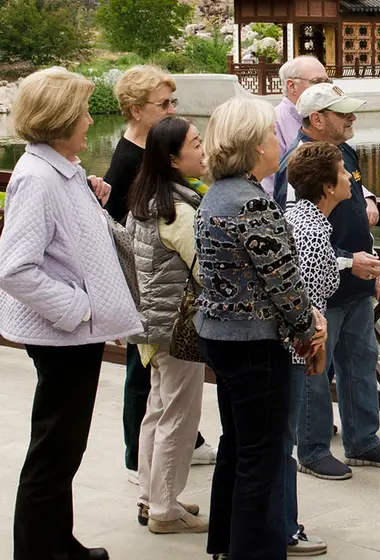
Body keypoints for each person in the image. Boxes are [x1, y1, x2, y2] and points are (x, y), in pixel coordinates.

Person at [0, 67, 142, 560]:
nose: (88, 119)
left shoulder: (58, 168)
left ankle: (59, 544)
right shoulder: (39, 178)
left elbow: (68, 238)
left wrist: (91, 197)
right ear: (60, 118)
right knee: (53, 454)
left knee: (62, 450)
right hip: (63, 334)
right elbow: (15, 268)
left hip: (71, 334)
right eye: (82, 111)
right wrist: (78, 309)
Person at [195, 97, 327, 560]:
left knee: (238, 445)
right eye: (271, 134)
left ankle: (226, 544)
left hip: (221, 336)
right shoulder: (251, 202)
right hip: (253, 342)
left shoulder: (216, 194)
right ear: (253, 147)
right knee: (263, 457)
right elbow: (285, 282)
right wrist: (309, 331)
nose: (278, 141)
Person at [275, 83, 380, 481]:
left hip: (356, 284)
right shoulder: (298, 165)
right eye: (342, 113)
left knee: (360, 362)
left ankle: (363, 440)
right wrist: (350, 262)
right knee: (316, 367)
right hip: (320, 289)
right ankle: (313, 449)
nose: (351, 118)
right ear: (316, 119)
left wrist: (365, 262)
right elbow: (295, 238)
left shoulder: (342, 153)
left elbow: (351, 211)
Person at [104, 65, 216, 484]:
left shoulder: (149, 155)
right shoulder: (129, 163)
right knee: (144, 376)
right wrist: (123, 298)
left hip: (154, 291)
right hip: (148, 294)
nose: (172, 109)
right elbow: (117, 236)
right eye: (163, 104)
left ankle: (179, 449)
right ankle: (139, 460)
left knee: (157, 381)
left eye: (174, 102)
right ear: (135, 110)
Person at [126, 116, 210, 534]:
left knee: (157, 412)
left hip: (150, 326)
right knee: (179, 415)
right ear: (174, 159)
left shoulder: (144, 201)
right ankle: (164, 508)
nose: (204, 149)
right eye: (196, 143)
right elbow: (205, 272)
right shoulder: (180, 210)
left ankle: (151, 498)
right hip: (178, 329)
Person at [280, 142, 354, 556]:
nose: (349, 178)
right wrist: (314, 350)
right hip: (294, 351)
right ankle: (286, 528)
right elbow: (304, 302)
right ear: (327, 187)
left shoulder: (300, 218)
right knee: (282, 443)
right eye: (343, 173)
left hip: (293, 345)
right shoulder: (309, 231)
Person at [263, 55, 379, 229]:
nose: (326, 87)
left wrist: (366, 197)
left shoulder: (339, 141)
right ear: (291, 86)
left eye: (328, 81)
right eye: (317, 82)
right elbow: (274, 195)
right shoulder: (274, 124)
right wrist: (347, 256)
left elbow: (346, 177)